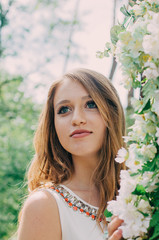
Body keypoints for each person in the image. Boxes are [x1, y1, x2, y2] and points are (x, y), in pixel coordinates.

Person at [17, 68, 125, 240]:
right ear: (53, 126)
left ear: (112, 115)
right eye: (64, 109)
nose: (77, 118)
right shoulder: (44, 206)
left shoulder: (142, 194)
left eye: (91, 104)